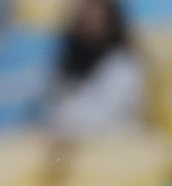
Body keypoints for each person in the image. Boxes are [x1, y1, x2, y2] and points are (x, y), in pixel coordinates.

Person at [46, 0, 145, 138]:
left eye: (97, 19)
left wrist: (66, 123)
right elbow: (52, 104)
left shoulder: (124, 65)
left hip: (115, 144)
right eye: (85, 19)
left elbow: (107, 116)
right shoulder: (68, 60)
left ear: (111, 21)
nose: (90, 24)